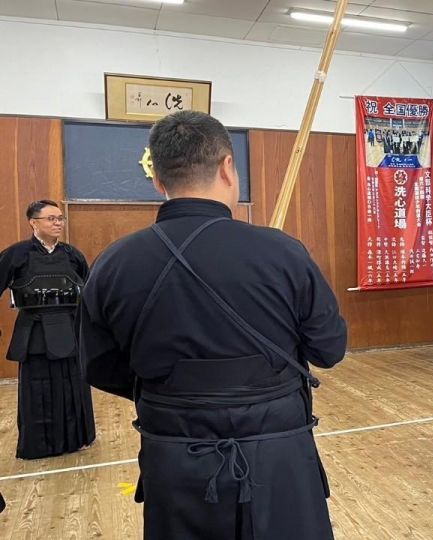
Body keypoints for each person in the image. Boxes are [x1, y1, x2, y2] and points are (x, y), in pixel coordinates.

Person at [79, 110, 347, 540]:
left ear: (158, 179)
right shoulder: (283, 253)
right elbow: (329, 349)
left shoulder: (115, 262)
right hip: (277, 452)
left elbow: (98, 365)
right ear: (227, 167)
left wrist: (176, 388)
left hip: (174, 451)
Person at [0, 200, 95, 459]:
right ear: (33, 222)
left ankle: (79, 438)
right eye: (51, 219)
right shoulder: (16, 255)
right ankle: (40, 444)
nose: (58, 223)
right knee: (38, 387)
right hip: (35, 332)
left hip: (69, 329)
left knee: (73, 384)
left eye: (60, 218)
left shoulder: (73, 255)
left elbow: (88, 292)